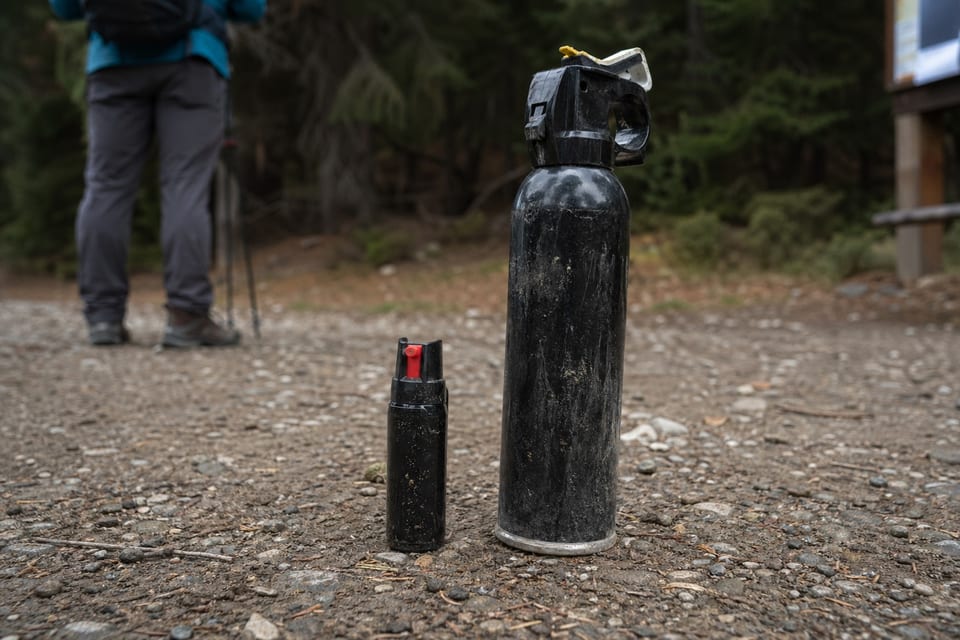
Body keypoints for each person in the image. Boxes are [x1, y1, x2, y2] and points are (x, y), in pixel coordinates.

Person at [49, 0, 267, 347]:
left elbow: (63, 8)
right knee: (185, 186)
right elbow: (251, 8)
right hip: (194, 59)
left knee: (106, 186)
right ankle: (186, 316)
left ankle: (103, 317)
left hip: (112, 60)